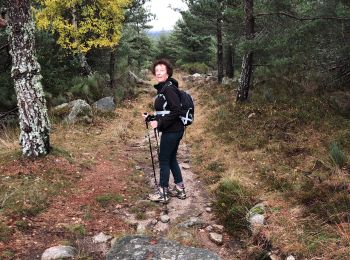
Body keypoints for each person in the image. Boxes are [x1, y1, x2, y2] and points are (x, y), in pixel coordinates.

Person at [144, 59, 186, 203]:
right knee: (171, 158)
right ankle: (180, 189)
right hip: (174, 129)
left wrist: (159, 122)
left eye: (162, 70)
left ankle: (163, 192)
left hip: (172, 130)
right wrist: (151, 118)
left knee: (163, 159)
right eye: (157, 71)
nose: (159, 73)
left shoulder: (169, 88)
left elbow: (177, 111)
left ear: (167, 72)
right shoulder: (165, 87)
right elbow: (165, 111)